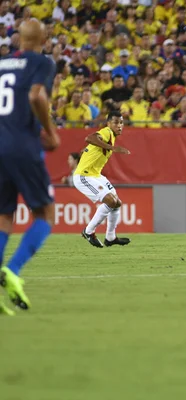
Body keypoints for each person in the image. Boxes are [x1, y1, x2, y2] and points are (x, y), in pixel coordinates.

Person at [0, 20, 60, 315]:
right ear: (44, 38)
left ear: (17, 39)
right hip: (23, 144)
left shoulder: (1, 64)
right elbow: (37, 95)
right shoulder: (42, 62)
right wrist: (50, 131)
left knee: (2, 216)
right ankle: (12, 270)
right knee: (46, 213)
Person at [74, 111, 131, 248]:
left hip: (96, 175)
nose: (119, 126)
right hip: (84, 176)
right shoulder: (107, 132)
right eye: (116, 122)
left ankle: (110, 237)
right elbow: (89, 138)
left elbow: (89, 146)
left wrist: (86, 152)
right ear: (108, 124)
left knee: (117, 203)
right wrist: (113, 148)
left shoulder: (111, 136)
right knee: (111, 201)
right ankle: (88, 231)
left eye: (121, 122)